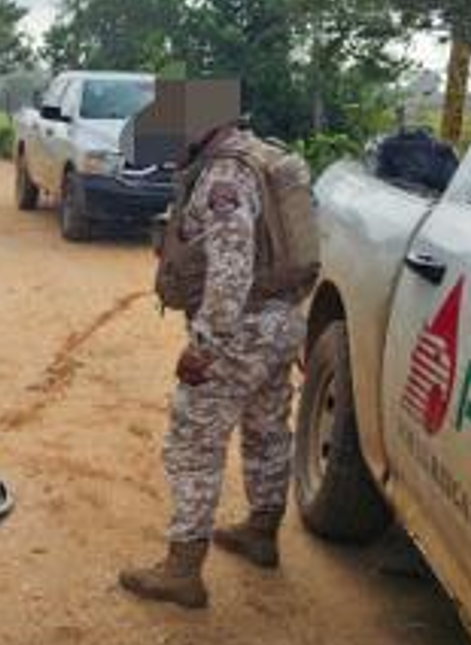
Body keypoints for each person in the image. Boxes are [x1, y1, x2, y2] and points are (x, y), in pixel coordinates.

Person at [121, 83, 314, 609]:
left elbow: (231, 270)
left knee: (193, 442)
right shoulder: (262, 156)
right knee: (267, 428)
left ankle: (182, 570)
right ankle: (261, 532)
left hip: (241, 330)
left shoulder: (223, 178)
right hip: (280, 320)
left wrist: (204, 347)